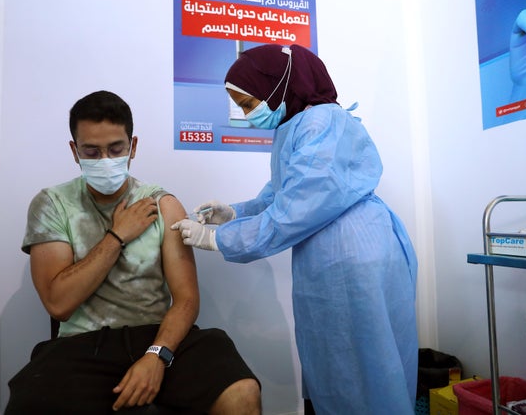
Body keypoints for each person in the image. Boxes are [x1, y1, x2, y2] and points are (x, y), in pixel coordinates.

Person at [171, 44, 419, 414]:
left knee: (363, 369)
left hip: (353, 255)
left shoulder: (323, 122)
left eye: (246, 102)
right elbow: (281, 195)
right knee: (342, 366)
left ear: (277, 85)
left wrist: (218, 238)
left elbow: (296, 210)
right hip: (336, 254)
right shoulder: (298, 126)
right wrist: (233, 213)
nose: (245, 113)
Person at [5, 90, 261, 414]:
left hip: (157, 336)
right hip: (84, 345)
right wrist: (117, 236)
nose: (105, 160)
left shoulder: (162, 204)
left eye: (115, 149)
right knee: (31, 402)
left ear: (133, 146)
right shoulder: (52, 204)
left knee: (241, 391)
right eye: (91, 151)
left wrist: (157, 355)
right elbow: (59, 303)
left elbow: (186, 299)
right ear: (74, 151)